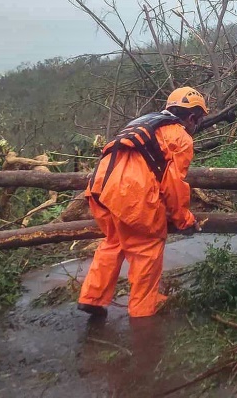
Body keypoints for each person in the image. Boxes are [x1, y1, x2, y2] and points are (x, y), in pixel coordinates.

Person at [77, 87, 207, 318]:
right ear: (192, 117)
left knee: (114, 242)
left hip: (98, 189)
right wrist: (184, 219)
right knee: (146, 248)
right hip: (129, 194)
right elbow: (174, 185)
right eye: (198, 120)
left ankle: (92, 298)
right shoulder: (180, 137)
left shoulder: (143, 123)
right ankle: (143, 315)